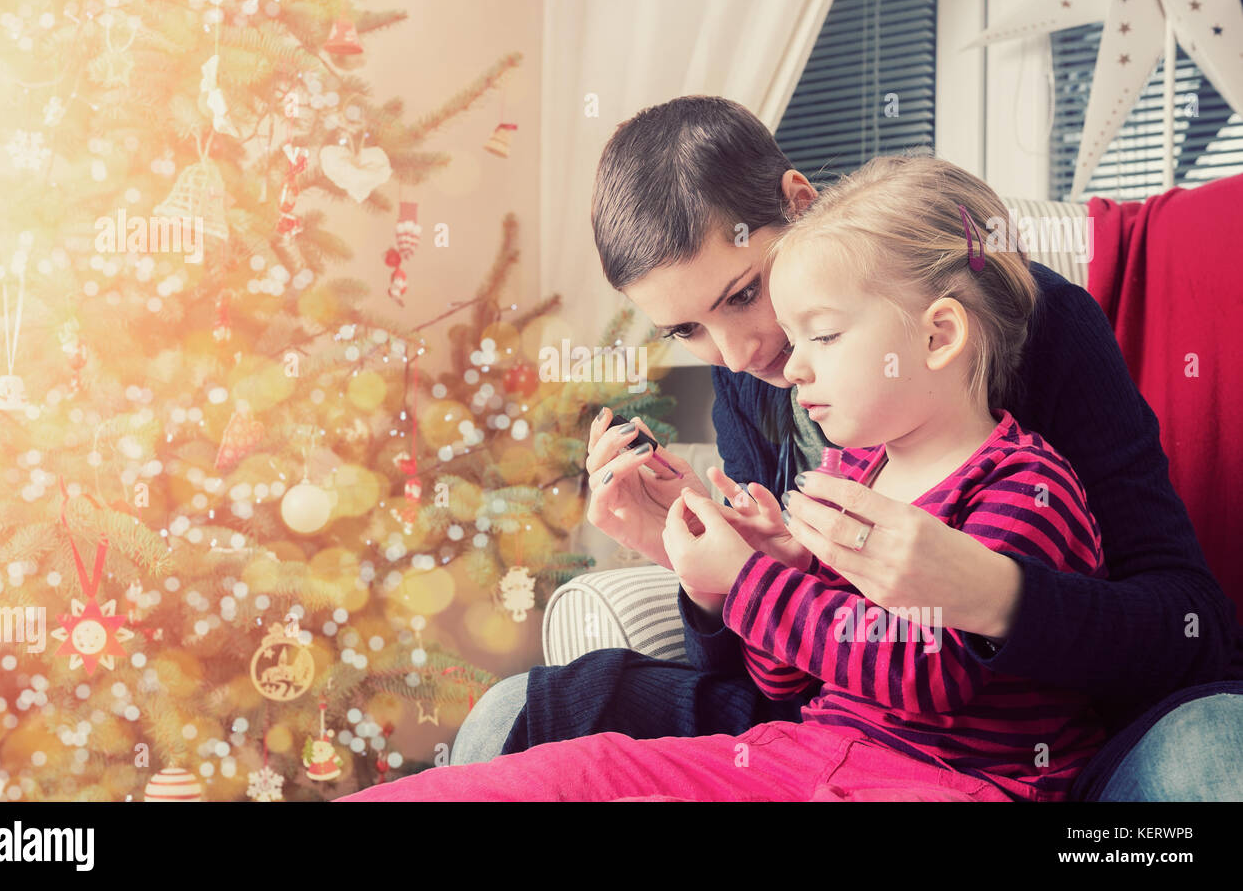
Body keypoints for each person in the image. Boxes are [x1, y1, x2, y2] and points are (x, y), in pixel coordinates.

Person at [451, 96, 1243, 800]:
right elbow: (780, 673)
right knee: (512, 717)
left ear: (801, 202)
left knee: (1211, 752)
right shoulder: (752, 376)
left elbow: (1192, 626)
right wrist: (708, 576)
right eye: (688, 330)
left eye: (743, 292)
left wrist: (998, 597)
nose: (742, 353)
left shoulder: (1039, 328)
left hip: (1026, 751)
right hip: (828, 724)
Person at [336, 155, 1118, 801]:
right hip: (807, 749)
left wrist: (752, 584)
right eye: (687, 330)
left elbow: (928, 671)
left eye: (821, 330)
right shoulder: (852, 468)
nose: (760, 358)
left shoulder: (1023, 482)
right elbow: (789, 682)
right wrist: (737, 568)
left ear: (940, 334)